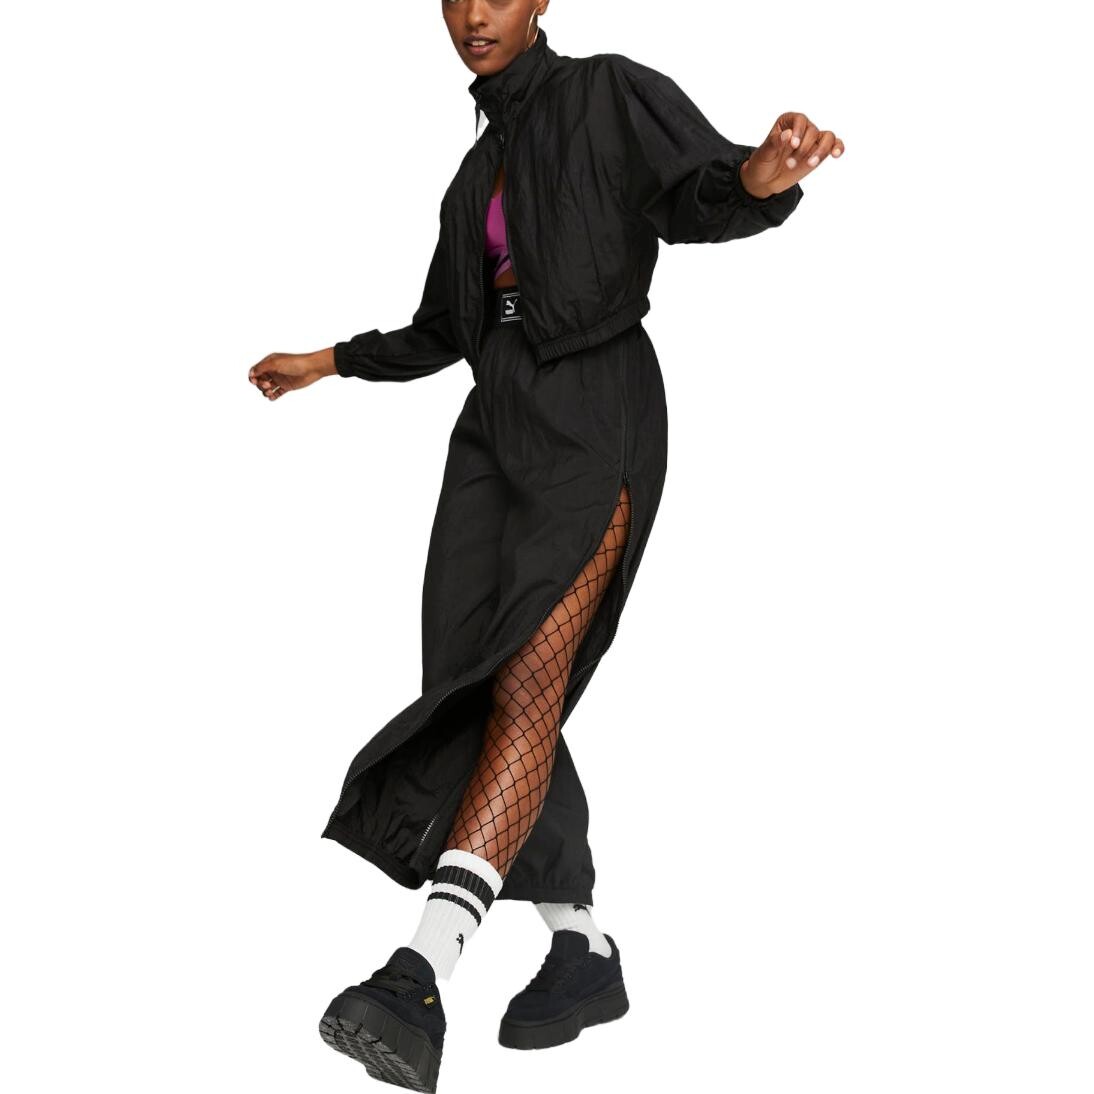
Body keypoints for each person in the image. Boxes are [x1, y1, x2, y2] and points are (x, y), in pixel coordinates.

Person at [249, 4, 842, 1090]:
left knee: (529, 670)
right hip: (492, 431)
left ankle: (421, 969)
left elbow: (699, 193)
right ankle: (581, 948)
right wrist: (324, 360)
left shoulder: (605, 90)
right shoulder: (471, 176)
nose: (473, 14)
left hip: (595, 409)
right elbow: (444, 329)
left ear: (540, 1)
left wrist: (760, 177)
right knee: (479, 680)